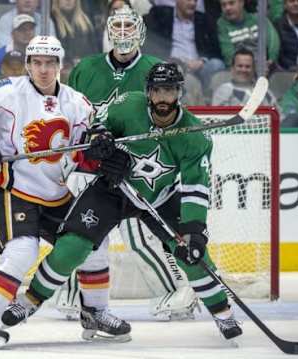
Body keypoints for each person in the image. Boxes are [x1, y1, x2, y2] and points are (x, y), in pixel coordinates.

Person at [2, 63, 243, 343]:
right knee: (73, 245)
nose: (163, 98)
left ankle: (222, 312)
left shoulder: (194, 136)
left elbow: (195, 186)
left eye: (169, 91)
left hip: (161, 197)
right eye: (157, 91)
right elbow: (98, 125)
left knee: (189, 252)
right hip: (114, 188)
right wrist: (102, 143)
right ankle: (30, 300)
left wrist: (194, 229)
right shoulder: (128, 105)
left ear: (179, 93)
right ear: (148, 92)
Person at [0, 35, 101, 349]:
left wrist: (102, 153)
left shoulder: (78, 103)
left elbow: (86, 152)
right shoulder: (6, 91)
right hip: (11, 189)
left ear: (60, 66)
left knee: (93, 242)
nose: (43, 70)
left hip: (56, 194)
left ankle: (96, 314)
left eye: (50, 63)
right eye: (36, 63)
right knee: (22, 250)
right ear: (28, 64)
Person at [65, 5, 199, 325]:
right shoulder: (85, 69)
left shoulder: (155, 69)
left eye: (129, 25)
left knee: (137, 234)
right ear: (108, 31)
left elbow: (170, 119)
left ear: (140, 30)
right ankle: (74, 296)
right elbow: (74, 117)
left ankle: (176, 290)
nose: (123, 33)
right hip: (91, 166)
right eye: (118, 26)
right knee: (79, 229)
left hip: (136, 167)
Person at [143, 0, 224, 88]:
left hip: (198, 67)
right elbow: (150, 40)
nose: (193, 3)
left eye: (195, 1)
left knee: (217, 64)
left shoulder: (203, 19)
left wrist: (202, 61)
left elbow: (215, 49)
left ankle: (204, 95)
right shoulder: (160, 14)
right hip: (172, 63)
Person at [217, 0, 280, 69]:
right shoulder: (221, 25)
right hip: (240, 69)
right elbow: (228, 54)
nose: (227, 8)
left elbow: (273, 42)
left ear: (242, 3)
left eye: (231, 3)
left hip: (266, 66)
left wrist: (271, 61)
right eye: (223, 5)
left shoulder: (258, 18)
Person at [212, 47, 278, 108]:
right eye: (240, 66)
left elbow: (278, 116)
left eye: (248, 66)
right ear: (232, 69)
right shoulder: (223, 91)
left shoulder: (265, 92)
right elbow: (218, 117)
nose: (243, 70)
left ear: (253, 69)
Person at [51, 0, 100, 72]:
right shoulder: (52, 20)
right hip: (62, 70)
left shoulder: (85, 20)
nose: (69, 1)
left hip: (86, 68)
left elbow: (94, 50)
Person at [0, 14, 36, 82]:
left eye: (30, 29)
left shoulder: (41, 56)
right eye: (22, 29)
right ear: (12, 34)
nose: (27, 33)